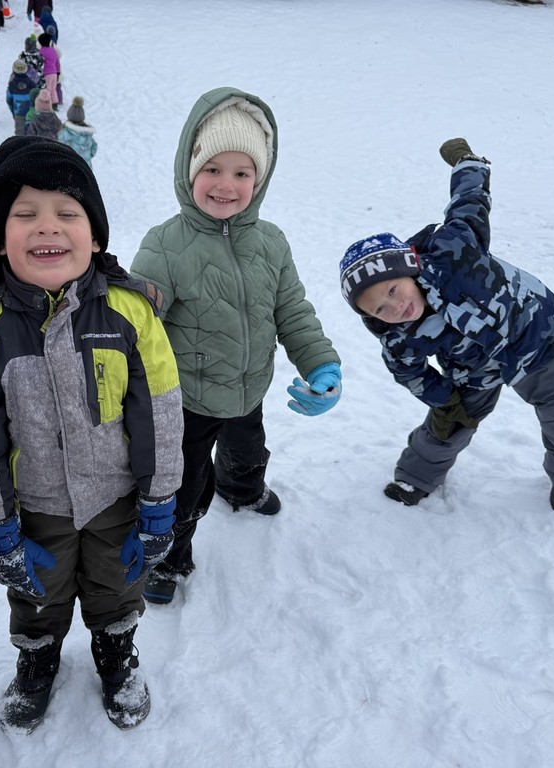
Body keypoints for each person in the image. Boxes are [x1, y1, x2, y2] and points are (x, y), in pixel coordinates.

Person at [0, 136, 184, 734]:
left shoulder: (130, 314)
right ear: (0, 239)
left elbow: (161, 411)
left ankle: (116, 652)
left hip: (117, 500)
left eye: (67, 213)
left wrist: (158, 504)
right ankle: (36, 658)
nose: (46, 227)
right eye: (24, 215)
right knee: (36, 594)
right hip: (37, 508)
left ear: (95, 235)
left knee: (116, 585)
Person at [129, 86, 342, 605]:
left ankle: (243, 490)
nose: (226, 185)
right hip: (188, 400)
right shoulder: (166, 243)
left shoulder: (270, 241)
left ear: (260, 180)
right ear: (189, 170)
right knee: (185, 487)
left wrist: (321, 362)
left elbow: (291, 309)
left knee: (249, 448)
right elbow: (137, 324)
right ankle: (167, 558)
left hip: (249, 385)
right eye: (213, 169)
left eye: (242, 173)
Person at [339, 138, 554, 511]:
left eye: (394, 290)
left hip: (536, 337)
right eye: (380, 309)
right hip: (471, 367)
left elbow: (469, 204)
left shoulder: (454, 249)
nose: (396, 307)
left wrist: (467, 164)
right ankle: (415, 477)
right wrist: (443, 399)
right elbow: (409, 372)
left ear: (410, 270)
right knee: (450, 422)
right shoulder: (398, 339)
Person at [58, 96, 97, 165]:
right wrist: (86, 157)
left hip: (71, 167)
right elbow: (93, 148)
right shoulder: (87, 134)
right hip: (86, 168)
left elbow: (59, 151)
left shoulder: (64, 133)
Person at [7, 59, 37, 136]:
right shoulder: (31, 84)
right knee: (31, 132)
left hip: (18, 112)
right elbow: (36, 97)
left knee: (19, 132)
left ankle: (20, 146)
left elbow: (9, 100)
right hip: (30, 112)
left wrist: (13, 112)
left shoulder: (11, 85)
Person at [37, 32, 60, 110]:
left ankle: (48, 104)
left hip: (47, 73)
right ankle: (55, 103)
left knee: (47, 90)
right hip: (54, 73)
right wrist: (58, 71)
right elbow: (57, 62)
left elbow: (40, 63)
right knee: (53, 89)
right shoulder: (53, 51)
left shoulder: (41, 52)